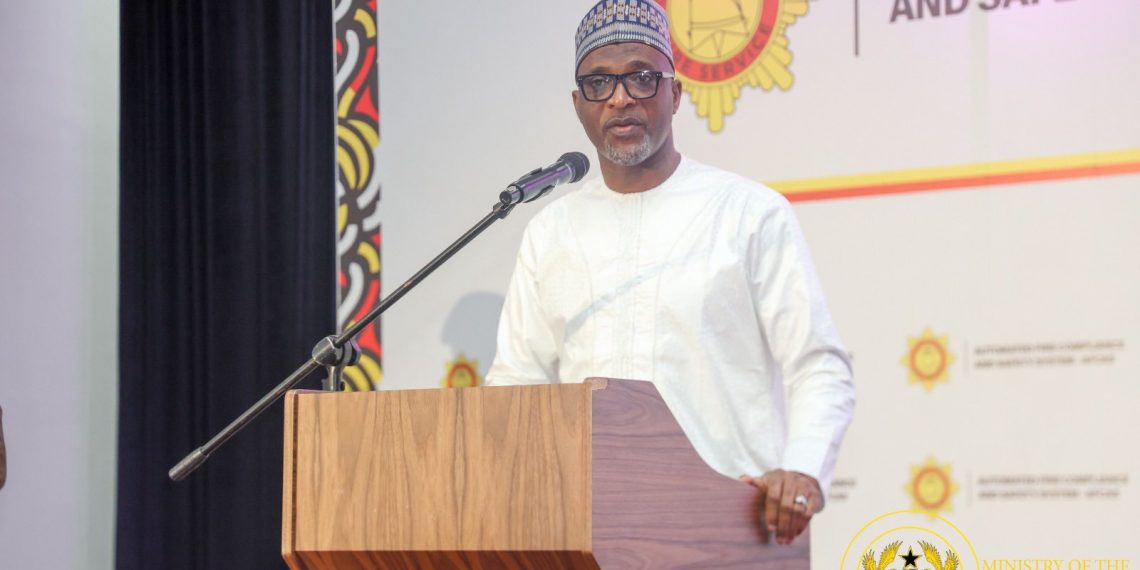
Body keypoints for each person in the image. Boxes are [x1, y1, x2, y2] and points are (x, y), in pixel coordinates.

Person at [485, 0, 854, 545]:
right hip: (587, 529)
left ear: (675, 94)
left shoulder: (748, 212)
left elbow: (817, 364)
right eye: (598, 83)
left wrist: (802, 469)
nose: (620, 98)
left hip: (729, 524)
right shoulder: (551, 231)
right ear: (578, 104)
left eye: (641, 77)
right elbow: (515, 386)